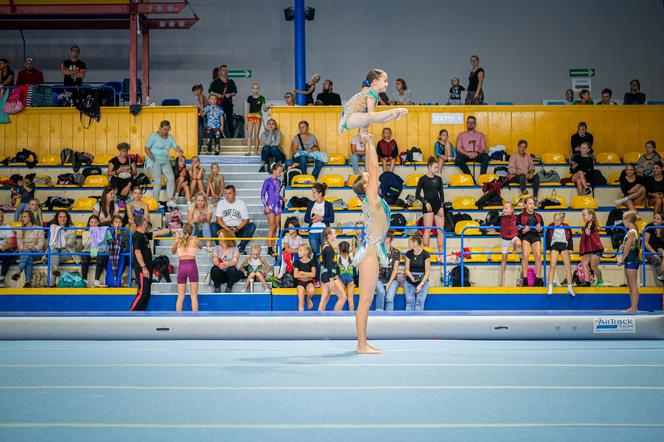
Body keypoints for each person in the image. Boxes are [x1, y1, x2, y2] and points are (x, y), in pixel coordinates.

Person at [351, 133, 390, 354]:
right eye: (368, 179)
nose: (372, 177)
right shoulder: (372, 198)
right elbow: (373, 169)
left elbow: (369, 168)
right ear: (367, 186)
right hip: (369, 254)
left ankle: (363, 342)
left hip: (373, 252)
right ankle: (361, 344)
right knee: (365, 300)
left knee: (366, 299)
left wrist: (366, 144)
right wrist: (372, 143)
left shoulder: (372, 198)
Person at [338, 68, 408, 134]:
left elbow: (370, 117)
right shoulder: (371, 93)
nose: (387, 84)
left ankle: (392, 115)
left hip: (350, 118)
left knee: (374, 117)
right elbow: (371, 116)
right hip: (349, 117)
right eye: (385, 81)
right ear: (375, 82)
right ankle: (392, 112)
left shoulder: (371, 93)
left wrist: (364, 130)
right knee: (372, 116)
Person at [145, 120, 183, 208]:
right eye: (164, 129)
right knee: (158, 181)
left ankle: (169, 200)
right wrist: (151, 156)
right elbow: (147, 147)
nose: (165, 131)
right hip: (154, 160)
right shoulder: (154, 135)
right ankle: (156, 202)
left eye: (167, 130)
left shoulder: (169, 137)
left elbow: (176, 146)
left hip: (165, 160)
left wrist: (180, 150)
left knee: (171, 178)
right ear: (160, 128)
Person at [212, 185, 256, 255]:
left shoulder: (241, 203)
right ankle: (221, 247)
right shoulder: (221, 203)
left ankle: (241, 247)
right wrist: (227, 229)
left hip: (238, 229)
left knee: (252, 226)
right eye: (225, 193)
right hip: (225, 229)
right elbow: (218, 219)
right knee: (213, 225)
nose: (227, 195)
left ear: (234, 193)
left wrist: (237, 228)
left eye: (229, 193)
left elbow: (246, 220)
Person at [304, 183, 334, 282]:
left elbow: (332, 218)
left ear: (320, 193)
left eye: (314, 193)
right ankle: (317, 279)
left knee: (326, 255)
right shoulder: (310, 204)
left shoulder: (328, 204)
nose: (312, 195)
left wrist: (321, 218)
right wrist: (313, 220)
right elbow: (306, 219)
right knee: (316, 256)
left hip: (324, 233)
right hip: (313, 232)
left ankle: (327, 278)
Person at [416, 157, 445, 252]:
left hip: (437, 205)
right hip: (427, 206)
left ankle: (441, 255)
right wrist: (426, 202)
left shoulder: (439, 179)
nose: (437, 169)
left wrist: (441, 207)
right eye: (435, 167)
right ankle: (427, 254)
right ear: (429, 167)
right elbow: (417, 195)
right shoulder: (422, 179)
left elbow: (442, 195)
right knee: (427, 230)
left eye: (437, 168)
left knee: (440, 231)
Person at [318, 227, 348, 311]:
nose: (336, 234)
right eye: (334, 233)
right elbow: (329, 265)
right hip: (329, 276)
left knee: (324, 300)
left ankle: (319, 320)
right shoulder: (328, 249)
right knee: (343, 297)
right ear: (329, 235)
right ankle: (336, 316)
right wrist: (331, 280)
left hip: (325, 275)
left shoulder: (325, 246)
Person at [12, 211, 44, 288]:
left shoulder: (39, 229)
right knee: (28, 256)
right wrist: (27, 247)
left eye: (25, 216)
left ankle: (19, 271)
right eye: (22, 217)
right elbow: (20, 245)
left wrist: (29, 247)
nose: (23, 218)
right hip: (24, 253)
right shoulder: (20, 229)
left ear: (30, 217)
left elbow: (40, 245)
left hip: (37, 253)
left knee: (29, 251)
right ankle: (28, 282)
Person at [172, 223, 200, 312]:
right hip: (192, 266)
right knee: (194, 295)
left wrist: (176, 241)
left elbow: (173, 252)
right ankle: (195, 317)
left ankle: (178, 318)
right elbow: (201, 247)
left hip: (182, 267)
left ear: (183, 231)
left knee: (180, 296)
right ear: (192, 231)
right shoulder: (195, 240)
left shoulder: (179, 241)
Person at [546, 213, 575, 296]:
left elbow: (570, 238)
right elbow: (547, 238)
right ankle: (550, 286)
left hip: (563, 246)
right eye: (554, 219)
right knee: (552, 265)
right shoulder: (550, 226)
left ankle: (570, 287)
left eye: (557, 220)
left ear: (562, 220)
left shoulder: (566, 226)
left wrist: (570, 248)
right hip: (554, 246)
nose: (555, 222)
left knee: (568, 266)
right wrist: (548, 248)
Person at [617, 212, 641, 313]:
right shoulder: (631, 231)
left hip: (631, 260)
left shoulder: (632, 232)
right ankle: (633, 307)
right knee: (631, 285)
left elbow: (627, 249)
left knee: (632, 285)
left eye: (623, 219)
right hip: (630, 260)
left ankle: (634, 308)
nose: (623, 222)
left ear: (628, 220)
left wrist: (621, 260)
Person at [518, 197, 544, 287]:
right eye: (529, 203)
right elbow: (517, 230)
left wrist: (540, 229)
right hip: (526, 237)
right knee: (525, 256)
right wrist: (523, 231)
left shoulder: (538, 216)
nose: (532, 205)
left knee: (538, 255)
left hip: (535, 236)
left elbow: (542, 230)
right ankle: (525, 279)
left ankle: (538, 279)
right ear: (525, 205)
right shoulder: (520, 216)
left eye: (533, 203)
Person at [48, 210, 77, 287]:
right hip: (56, 251)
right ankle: (55, 269)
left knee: (52, 257)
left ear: (67, 218)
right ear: (57, 218)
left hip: (68, 251)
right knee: (54, 251)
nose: (62, 218)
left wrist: (58, 243)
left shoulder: (72, 228)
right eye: (60, 217)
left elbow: (70, 243)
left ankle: (52, 282)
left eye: (64, 217)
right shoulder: (53, 228)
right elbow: (51, 242)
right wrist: (57, 244)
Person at [130, 215, 153, 311]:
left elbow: (155, 233)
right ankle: (131, 314)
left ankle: (140, 314)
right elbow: (137, 252)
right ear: (144, 223)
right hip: (142, 270)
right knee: (142, 293)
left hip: (147, 268)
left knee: (146, 293)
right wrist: (144, 268)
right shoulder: (137, 236)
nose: (147, 222)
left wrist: (169, 230)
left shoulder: (144, 235)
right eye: (146, 221)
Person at [261, 164, 284, 257]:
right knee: (271, 226)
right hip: (270, 205)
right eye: (279, 171)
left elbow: (277, 194)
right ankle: (269, 248)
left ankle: (273, 248)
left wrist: (283, 198)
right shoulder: (267, 181)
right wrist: (265, 206)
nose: (280, 173)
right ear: (274, 170)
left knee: (275, 227)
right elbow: (262, 194)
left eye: (281, 171)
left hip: (278, 205)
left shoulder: (279, 181)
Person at [403, 234, 431, 311]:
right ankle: (408, 320)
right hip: (410, 279)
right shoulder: (408, 253)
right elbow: (407, 269)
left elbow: (427, 272)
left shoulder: (426, 254)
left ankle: (418, 320)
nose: (408, 244)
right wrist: (411, 277)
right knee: (409, 300)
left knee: (420, 301)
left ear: (415, 243)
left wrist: (421, 284)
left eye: (409, 242)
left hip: (422, 279)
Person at [374, 232, 401, 311]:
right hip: (379, 278)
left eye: (387, 242)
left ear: (390, 240)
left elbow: (395, 269)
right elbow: (375, 268)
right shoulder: (378, 252)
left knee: (389, 298)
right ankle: (379, 315)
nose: (385, 244)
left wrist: (389, 283)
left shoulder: (396, 252)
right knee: (381, 293)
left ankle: (390, 318)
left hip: (392, 279)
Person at [209, 65, 237, 137]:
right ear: (220, 72)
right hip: (219, 104)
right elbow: (210, 92)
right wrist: (218, 95)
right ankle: (219, 137)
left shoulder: (231, 82)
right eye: (223, 70)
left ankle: (231, 137)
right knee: (218, 120)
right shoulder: (216, 82)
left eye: (226, 70)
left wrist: (230, 94)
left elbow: (235, 92)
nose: (225, 72)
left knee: (229, 120)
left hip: (228, 104)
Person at [211, 227, 242, 293]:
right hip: (221, 273)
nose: (218, 237)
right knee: (214, 269)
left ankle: (229, 287)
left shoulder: (235, 248)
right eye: (218, 236)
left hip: (230, 274)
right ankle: (217, 287)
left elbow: (234, 261)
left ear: (226, 237)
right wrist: (220, 264)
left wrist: (226, 264)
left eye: (220, 236)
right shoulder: (216, 247)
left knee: (232, 269)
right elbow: (214, 259)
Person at [80, 215, 106, 287]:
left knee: (101, 256)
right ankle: (84, 280)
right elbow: (84, 244)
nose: (93, 224)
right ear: (89, 223)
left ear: (98, 223)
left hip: (97, 251)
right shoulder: (85, 233)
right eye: (91, 222)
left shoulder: (102, 232)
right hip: (87, 250)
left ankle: (96, 280)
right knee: (85, 257)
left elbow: (102, 245)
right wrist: (92, 236)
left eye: (95, 222)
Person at [579, 208, 603, 287]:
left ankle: (600, 280)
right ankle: (587, 281)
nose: (583, 217)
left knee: (593, 266)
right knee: (584, 263)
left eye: (584, 215)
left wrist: (587, 231)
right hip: (589, 248)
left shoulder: (591, 223)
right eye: (582, 216)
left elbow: (589, 230)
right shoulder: (588, 223)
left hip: (595, 248)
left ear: (591, 215)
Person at [499, 202, 520, 287]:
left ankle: (514, 248)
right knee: (504, 259)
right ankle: (502, 279)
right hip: (505, 239)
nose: (504, 210)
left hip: (513, 237)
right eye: (503, 208)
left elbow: (522, 224)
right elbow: (493, 223)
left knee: (518, 242)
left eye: (506, 208)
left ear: (512, 210)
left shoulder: (516, 217)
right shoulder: (501, 218)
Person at [245, 83, 269, 156]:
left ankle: (256, 151)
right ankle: (248, 151)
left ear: (259, 89)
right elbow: (247, 109)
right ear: (252, 89)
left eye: (257, 88)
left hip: (258, 117)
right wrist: (246, 121)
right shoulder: (249, 98)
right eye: (254, 88)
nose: (255, 89)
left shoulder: (262, 98)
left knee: (256, 135)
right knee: (249, 135)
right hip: (250, 117)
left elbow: (264, 109)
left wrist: (268, 107)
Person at [294, 244, 316, 311]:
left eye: (300, 250)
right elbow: (295, 275)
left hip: (309, 282)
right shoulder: (297, 262)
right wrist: (308, 275)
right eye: (298, 250)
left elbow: (313, 275)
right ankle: (301, 318)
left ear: (306, 252)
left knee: (311, 291)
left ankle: (308, 299)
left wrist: (302, 272)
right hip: (300, 282)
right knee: (301, 301)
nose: (298, 252)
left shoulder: (312, 262)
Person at [644, 212, 664, 281]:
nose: (655, 220)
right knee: (657, 261)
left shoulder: (663, 228)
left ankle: (662, 276)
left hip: (661, 252)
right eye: (654, 218)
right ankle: (661, 275)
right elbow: (645, 243)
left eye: (658, 219)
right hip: (650, 252)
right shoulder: (649, 227)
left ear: (662, 221)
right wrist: (654, 253)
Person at [337, 241, 356, 312]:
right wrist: (353, 244)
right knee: (350, 298)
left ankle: (338, 313)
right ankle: (351, 313)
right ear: (348, 248)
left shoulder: (338, 256)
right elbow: (357, 248)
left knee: (341, 297)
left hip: (341, 278)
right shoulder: (351, 255)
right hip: (350, 278)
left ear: (339, 248)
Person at [0, 209, 16, 288]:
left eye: (2, 216)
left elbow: (11, 243)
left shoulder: (7, 227)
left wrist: (2, 248)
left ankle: (1, 278)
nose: (1, 218)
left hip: (3, 250)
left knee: (8, 254)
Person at [192, 84, 208, 149]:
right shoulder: (201, 96)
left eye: (195, 91)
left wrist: (202, 112)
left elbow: (202, 105)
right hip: (206, 111)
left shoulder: (200, 96)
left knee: (205, 126)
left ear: (199, 90)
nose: (194, 93)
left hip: (206, 112)